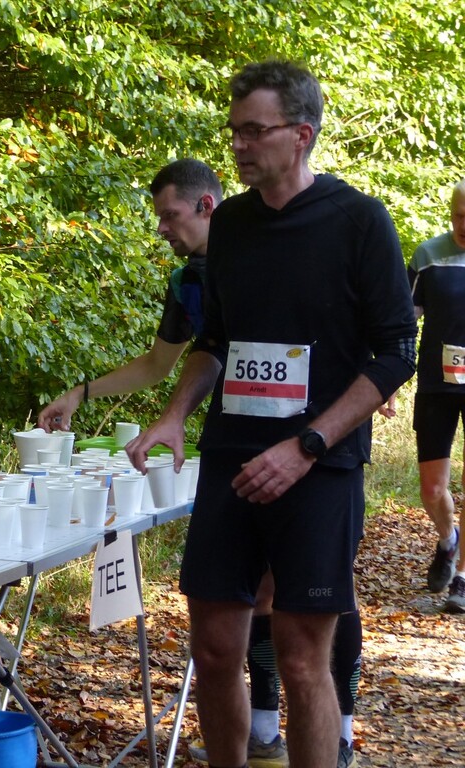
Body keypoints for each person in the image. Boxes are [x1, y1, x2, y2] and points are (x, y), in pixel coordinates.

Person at [127, 60, 416, 768]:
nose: (239, 145)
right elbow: (215, 342)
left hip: (320, 465)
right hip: (233, 460)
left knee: (300, 656)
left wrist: (308, 444)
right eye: (234, 132)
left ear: (301, 135)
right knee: (213, 648)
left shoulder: (359, 220)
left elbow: (396, 353)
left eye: (254, 131)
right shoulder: (229, 225)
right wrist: (173, 414)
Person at [37, 159, 221, 432]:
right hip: (226, 424)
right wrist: (77, 394)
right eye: (159, 218)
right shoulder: (185, 283)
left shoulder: (262, 258)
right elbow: (156, 366)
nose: (160, 228)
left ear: (205, 205)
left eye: (170, 215)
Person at [407, 179, 465, 611]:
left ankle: (462, 578)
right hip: (436, 384)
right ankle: (448, 539)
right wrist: (387, 381)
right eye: (459, 216)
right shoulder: (428, 256)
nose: (464, 225)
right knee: (431, 488)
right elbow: (402, 323)